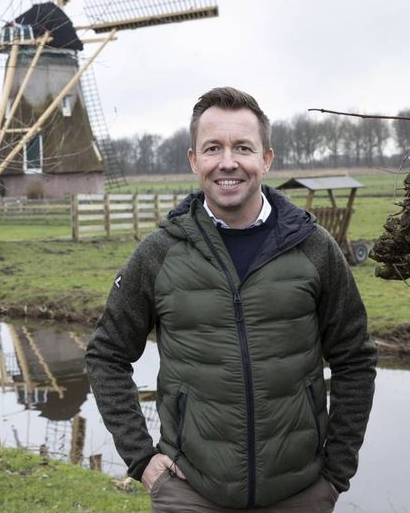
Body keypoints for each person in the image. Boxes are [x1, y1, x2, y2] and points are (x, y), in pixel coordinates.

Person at [85, 87, 377, 512]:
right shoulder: (159, 253)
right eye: (213, 148)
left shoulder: (315, 248)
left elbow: (354, 358)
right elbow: (107, 354)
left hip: (299, 494)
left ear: (266, 159)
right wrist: (143, 459)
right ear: (194, 160)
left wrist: (336, 472)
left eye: (242, 147)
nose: (228, 162)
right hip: (190, 494)